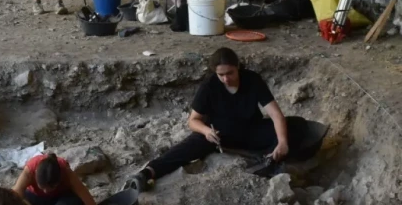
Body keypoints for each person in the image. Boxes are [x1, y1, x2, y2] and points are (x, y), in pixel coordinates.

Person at [125, 47, 313, 191]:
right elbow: (193, 121)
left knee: (296, 125)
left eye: (229, 73)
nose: (225, 79)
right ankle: (147, 173)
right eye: (220, 75)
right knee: (185, 149)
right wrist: (207, 131)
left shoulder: (253, 80)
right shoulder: (209, 86)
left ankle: (271, 158)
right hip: (220, 135)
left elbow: (275, 114)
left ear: (238, 67)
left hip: (251, 130)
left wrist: (282, 142)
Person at [13, 152, 97, 205]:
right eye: (42, 187)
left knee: (76, 202)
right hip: (35, 198)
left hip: (59, 198)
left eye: (51, 188)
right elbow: (14, 196)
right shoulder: (30, 170)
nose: (45, 192)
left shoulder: (66, 173)